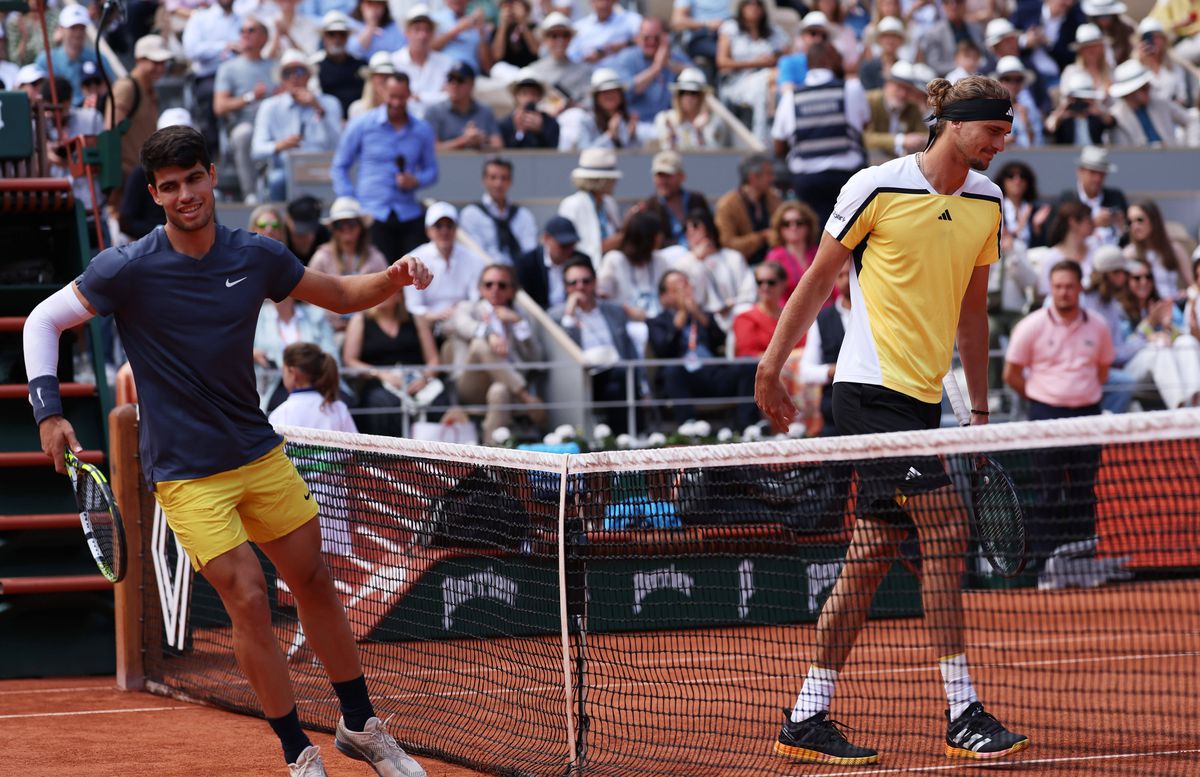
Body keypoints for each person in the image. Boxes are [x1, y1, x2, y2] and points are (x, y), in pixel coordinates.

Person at [23, 125, 432, 777]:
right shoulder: (125, 268)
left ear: (212, 176)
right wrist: (47, 412)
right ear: (155, 195)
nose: (185, 194)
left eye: (194, 178)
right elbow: (43, 319)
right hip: (187, 475)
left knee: (315, 582)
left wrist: (394, 275)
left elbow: (342, 294)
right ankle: (298, 749)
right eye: (170, 186)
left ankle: (360, 724)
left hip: (258, 452)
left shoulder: (259, 255)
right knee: (246, 593)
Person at [755, 74, 1028, 765]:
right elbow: (818, 279)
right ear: (956, 125)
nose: (1002, 144)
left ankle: (807, 714)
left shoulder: (988, 202)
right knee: (946, 523)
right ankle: (962, 707)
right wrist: (771, 364)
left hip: (924, 401)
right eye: (993, 130)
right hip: (867, 393)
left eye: (1005, 132)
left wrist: (979, 406)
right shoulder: (874, 187)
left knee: (871, 556)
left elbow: (973, 309)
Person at [1003, 260, 1117, 590]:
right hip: (1045, 418)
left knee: (1084, 492)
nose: (1064, 292)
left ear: (1080, 287)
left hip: (1087, 417)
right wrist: (1044, 398)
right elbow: (1011, 374)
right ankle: (1047, 570)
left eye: (1069, 286)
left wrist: (1077, 395)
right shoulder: (1031, 326)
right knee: (1048, 494)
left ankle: (1081, 567)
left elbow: (1103, 370)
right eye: (1058, 287)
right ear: (1051, 289)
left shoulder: (1097, 326)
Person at [332, 72, 439, 262]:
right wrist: (351, 201)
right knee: (380, 277)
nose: (397, 103)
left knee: (414, 271)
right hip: (372, 212)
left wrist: (415, 180)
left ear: (409, 94)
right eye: (392, 97)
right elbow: (339, 166)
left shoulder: (422, 129)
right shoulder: (362, 124)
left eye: (401, 97)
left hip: (408, 212)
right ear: (382, 93)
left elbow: (432, 171)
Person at [445, 264, 547, 442]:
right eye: (489, 284)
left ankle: (491, 460)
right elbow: (461, 324)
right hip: (471, 384)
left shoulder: (518, 316)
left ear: (511, 291)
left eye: (502, 285)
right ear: (480, 289)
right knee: (479, 344)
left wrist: (518, 323)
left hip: (505, 385)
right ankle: (525, 396)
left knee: (499, 390)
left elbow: (536, 358)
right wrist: (489, 333)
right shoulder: (468, 308)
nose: (495, 289)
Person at [772, 41, 868, 226]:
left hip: (806, 181)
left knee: (817, 241)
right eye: (838, 57)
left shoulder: (790, 97)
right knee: (851, 238)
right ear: (828, 60)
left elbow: (778, 144)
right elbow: (864, 123)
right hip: (847, 179)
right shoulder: (851, 89)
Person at [649, 270, 760, 428]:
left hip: (712, 373)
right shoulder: (657, 321)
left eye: (685, 285)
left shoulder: (703, 315)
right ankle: (688, 426)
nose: (684, 292)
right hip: (684, 378)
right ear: (664, 297)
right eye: (676, 289)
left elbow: (720, 340)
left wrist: (696, 313)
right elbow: (664, 350)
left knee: (748, 365)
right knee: (672, 370)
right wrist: (681, 313)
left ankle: (748, 425)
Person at [551, 256, 642, 433]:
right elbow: (562, 351)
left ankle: (625, 441)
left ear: (595, 282)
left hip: (617, 372)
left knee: (621, 378)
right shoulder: (556, 316)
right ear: (565, 287)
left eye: (586, 281)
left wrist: (643, 386)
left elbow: (629, 350)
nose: (580, 287)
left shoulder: (614, 311)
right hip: (580, 377)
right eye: (573, 283)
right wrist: (570, 316)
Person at [343, 290, 443, 437]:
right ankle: (389, 457)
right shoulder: (360, 320)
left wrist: (424, 378)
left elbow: (434, 359)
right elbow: (350, 360)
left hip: (416, 381)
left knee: (440, 400)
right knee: (383, 402)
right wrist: (380, 374)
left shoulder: (416, 319)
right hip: (378, 383)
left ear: (399, 295)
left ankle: (435, 456)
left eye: (387, 290)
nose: (380, 294)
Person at [252, 49, 344, 202]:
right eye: (288, 73)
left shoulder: (329, 103)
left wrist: (318, 108)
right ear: (282, 79)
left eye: (299, 71)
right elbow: (256, 149)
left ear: (309, 75)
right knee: (277, 180)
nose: (294, 77)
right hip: (287, 169)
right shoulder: (269, 107)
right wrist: (280, 146)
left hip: (322, 168)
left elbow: (339, 145)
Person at [1117, 257, 1200, 409]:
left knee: (1186, 342)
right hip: (1131, 372)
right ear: (1127, 281)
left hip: (1166, 371)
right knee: (1158, 347)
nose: (1144, 282)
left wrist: (1168, 327)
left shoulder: (1162, 304)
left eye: (1148, 277)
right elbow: (1122, 351)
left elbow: (1180, 339)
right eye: (1137, 278)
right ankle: (1179, 409)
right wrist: (1149, 327)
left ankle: (1195, 402)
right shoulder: (1119, 309)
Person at [213, 15, 278, 203]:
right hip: (245, 123)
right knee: (244, 134)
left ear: (264, 38)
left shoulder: (275, 67)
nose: (245, 34)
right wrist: (251, 97)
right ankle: (250, 193)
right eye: (242, 30)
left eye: (251, 30)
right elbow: (219, 106)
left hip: (274, 125)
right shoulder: (228, 68)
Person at [106, 34, 172, 205]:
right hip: (125, 181)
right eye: (154, 62)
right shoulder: (126, 88)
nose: (160, 67)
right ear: (139, 60)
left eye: (162, 62)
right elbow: (110, 136)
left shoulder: (150, 91)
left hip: (141, 178)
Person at [308, 197, 389, 331]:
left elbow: (387, 294)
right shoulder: (321, 257)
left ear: (360, 226)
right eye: (340, 225)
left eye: (351, 223)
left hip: (368, 330)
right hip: (329, 329)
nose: (346, 229)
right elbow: (309, 297)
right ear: (333, 229)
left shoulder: (375, 257)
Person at [671, 209, 755, 332]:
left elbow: (748, 289)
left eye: (695, 226)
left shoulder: (733, 257)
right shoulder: (683, 263)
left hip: (737, 310)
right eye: (686, 229)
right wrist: (697, 260)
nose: (690, 232)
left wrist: (732, 304)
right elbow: (696, 297)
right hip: (705, 319)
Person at [404, 202, 488, 324]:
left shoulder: (473, 259)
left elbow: (475, 297)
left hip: (464, 317)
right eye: (438, 226)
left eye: (449, 226)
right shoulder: (415, 259)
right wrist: (435, 316)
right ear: (428, 231)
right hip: (430, 324)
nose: (444, 231)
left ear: (456, 229)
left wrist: (458, 311)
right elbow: (414, 305)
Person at [716, 0, 788, 141]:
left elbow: (788, 52)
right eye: (750, 4)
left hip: (768, 81)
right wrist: (755, 62)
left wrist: (774, 57)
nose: (754, 8)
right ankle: (762, 138)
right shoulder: (730, 28)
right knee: (770, 82)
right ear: (742, 8)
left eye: (757, 4)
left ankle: (774, 134)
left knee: (772, 86)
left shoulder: (772, 30)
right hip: (738, 82)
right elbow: (722, 62)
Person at [799, 258, 852, 435]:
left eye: (851, 275)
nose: (847, 280)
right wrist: (833, 371)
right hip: (834, 412)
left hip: (873, 407)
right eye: (841, 275)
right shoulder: (822, 319)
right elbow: (805, 371)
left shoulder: (878, 314)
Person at [460, 158, 539, 267]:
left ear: (510, 182)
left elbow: (530, 250)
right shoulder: (471, 214)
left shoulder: (523, 215)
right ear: (484, 180)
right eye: (493, 178)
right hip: (485, 276)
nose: (498, 183)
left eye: (504, 178)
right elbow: (475, 252)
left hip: (518, 277)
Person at [597, 209, 674, 321]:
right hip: (625, 324)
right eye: (658, 234)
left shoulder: (659, 259)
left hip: (659, 325)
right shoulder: (614, 260)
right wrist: (625, 311)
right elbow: (602, 298)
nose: (661, 237)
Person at [34, 4, 114, 107]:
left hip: (92, 116)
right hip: (57, 117)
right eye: (73, 28)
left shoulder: (99, 58)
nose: (78, 33)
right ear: (61, 29)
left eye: (81, 28)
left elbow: (112, 89)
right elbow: (37, 94)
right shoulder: (45, 60)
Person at [1108, 58, 1195, 147]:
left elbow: (1192, 122)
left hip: (1172, 158)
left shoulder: (1160, 103)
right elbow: (1123, 152)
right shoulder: (1116, 117)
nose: (1149, 89)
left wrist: (1191, 148)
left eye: (1148, 85)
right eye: (1143, 88)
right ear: (1129, 93)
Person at [713, 153, 781, 267]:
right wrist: (762, 237)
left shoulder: (774, 199)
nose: (772, 178)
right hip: (742, 267)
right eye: (768, 174)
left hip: (775, 265)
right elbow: (727, 244)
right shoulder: (726, 205)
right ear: (753, 177)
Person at [558, 147, 623, 265]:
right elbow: (576, 248)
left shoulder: (609, 203)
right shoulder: (572, 205)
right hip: (584, 270)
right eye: (611, 179)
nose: (615, 182)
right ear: (601, 180)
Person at [1057, 145, 1128, 249]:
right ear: (1080, 172)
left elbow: (1126, 237)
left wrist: (1121, 226)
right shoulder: (1067, 199)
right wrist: (1094, 224)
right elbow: (1060, 237)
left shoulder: (1116, 197)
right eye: (1093, 172)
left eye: (1102, 174)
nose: (1097, 179)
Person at [392, 5, 454, 119]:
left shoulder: (446, 62)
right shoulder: (394, 61)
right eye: (417, 29)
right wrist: (434, 96)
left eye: (427, 30)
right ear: (407, 32)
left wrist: (419, 97)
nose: (423, 35)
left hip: (438, 124)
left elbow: (450, 96)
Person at [1123, 198, 1191, 300]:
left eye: (1140, 220)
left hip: (1174, 307)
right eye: (1130, 222)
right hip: (1144, 312)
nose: (1135, 226)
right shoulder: (1129, 253)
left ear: (1154, 220)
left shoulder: (1175, 249)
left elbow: (1193, 284)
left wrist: (1187, 293)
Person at [515, 216, 588, 309]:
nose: (569, 250)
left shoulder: (581, 261)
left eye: (572, 244)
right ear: (546, 238)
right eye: (563, 245)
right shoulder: (527, 263)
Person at [425, 62, 503, 150]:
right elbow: (431, 148)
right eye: (450, 79)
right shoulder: (435, 111)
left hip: (480, 163)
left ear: (472, 84)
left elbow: (498, 145)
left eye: (460, 80)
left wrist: (480, 143)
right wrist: (462, 141)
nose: (454, 85)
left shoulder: (485, 111)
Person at [643, 149, 711, 249]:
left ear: (681, 177)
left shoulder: (697, 200)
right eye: (659, 176)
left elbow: (710, 233)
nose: (663, 181)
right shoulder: (650, 206)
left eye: (668, 176)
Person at [1030, 201, 1096, 301]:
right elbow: (1043, 294)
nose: (1093, 224)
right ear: (1073, 222)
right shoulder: (1051, 257)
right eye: (1088, 220)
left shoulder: (1096, 249)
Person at [863, 59, 928, 160]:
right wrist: (901, 140)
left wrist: (918, 140)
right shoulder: (870, 101)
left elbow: (924, 135)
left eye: (908, 90)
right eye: (899, 87)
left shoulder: (911, 107)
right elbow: (864, 138)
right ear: (887, 84)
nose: (903, 94)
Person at [526, 12, 593, 108]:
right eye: (554, 35)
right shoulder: (533, 71)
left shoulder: (584, 70)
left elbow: (589, 103)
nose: (560, 40)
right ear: (545, 39)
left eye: (565, 35)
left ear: (570, 38)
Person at [653, 67, 727, 150]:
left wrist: (699, 132)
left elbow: (714, 156)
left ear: (702, 97)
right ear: (677, 96)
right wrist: (671, 134)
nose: (688, 97)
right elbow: (666, 153)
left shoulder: (714, 121)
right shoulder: (665, 118)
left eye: (694, 93)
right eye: (683, 92)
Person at [764, 200, 821, 301]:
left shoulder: (818, 252)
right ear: (779, 228)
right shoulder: (775, 257)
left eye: (799, 223)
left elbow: (834, 287)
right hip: (786, 312)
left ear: (808, 226)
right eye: (786, 224)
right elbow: (771, 292)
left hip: (823, 311)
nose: (793, 227)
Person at [314, 11, 367, 117]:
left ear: (347, 37)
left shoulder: (361, 65)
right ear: (323, 37)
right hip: (326, 121)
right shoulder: (314, 66)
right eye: (331, 34)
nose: (337, 39)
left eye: (342, 34)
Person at [500, 69, 561, 148]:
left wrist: (540, 131)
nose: (529, 98)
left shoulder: (550, 122)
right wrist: (520, 132)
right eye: (524, 93)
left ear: (539, 97)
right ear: (516, 96)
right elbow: (506, 152)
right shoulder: (505, 123)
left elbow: (553, 151)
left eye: (533, 93)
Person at [285, 194, 332, 266]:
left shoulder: (326, 237)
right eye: (301, 233)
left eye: (312, 230)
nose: (308, 238)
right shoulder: (279, 239)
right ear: (288, 219)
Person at [348, 50, 394, 119]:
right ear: (371, 78)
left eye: (389, 76)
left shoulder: (399, 108)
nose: (385, 79)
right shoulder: (357, 109)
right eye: (381, 75)